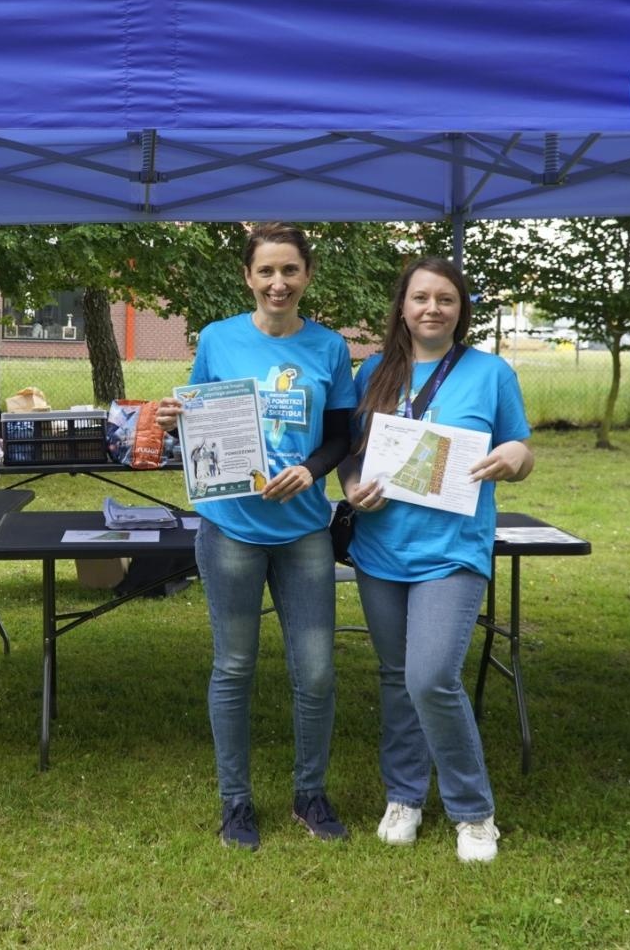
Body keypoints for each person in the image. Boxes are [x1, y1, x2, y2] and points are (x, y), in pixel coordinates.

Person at [155, 222, 354, 851]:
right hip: (232, 528)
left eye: (290, 270)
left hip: (303, 533)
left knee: (316, 673)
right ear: (248, 277)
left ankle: (309, 794)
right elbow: (200, 419)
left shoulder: (328, 348)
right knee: (234, 666)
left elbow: (342, 436)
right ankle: (236, 803)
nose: (278, 282)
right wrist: (172, 419)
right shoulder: (218, 340)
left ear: (307, 276)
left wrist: (310, 470)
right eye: (266, 271)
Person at [337, 257, 533, 863]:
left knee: (431, 678)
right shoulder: (373, 370)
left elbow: (522, 450)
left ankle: (473, 812)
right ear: (402, 306)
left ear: (460, 308)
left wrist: (512, 458)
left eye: (444, 299)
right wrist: (349, 487)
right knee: (397, 679)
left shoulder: (490, 372)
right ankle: (404, 796)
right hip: (380, 551)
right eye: (420, 297)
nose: (431, 309)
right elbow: (349, 454)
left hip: (452, 552)